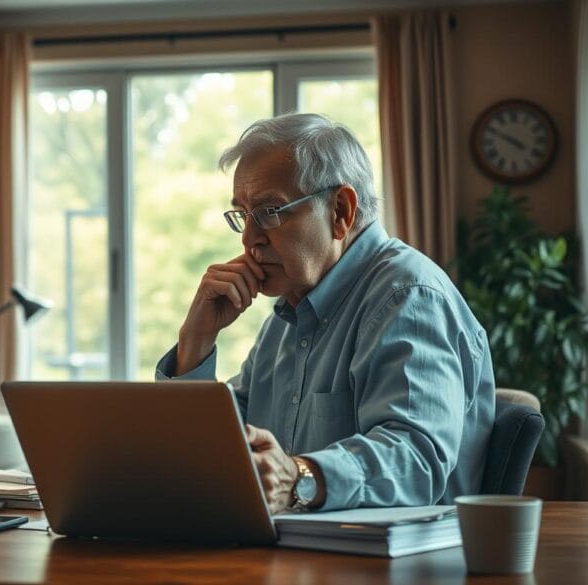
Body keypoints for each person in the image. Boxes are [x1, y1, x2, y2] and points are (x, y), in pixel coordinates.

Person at [156, 112, 495, 514]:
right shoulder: (287, 316)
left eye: (269, 212)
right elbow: (215, 449)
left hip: (397, 567)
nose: (249, 238)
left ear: (340, 211)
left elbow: (416, 460)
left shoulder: (409, 296)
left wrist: (299, 477)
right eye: (243, 216)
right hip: (300, 558)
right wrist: (195, 342)